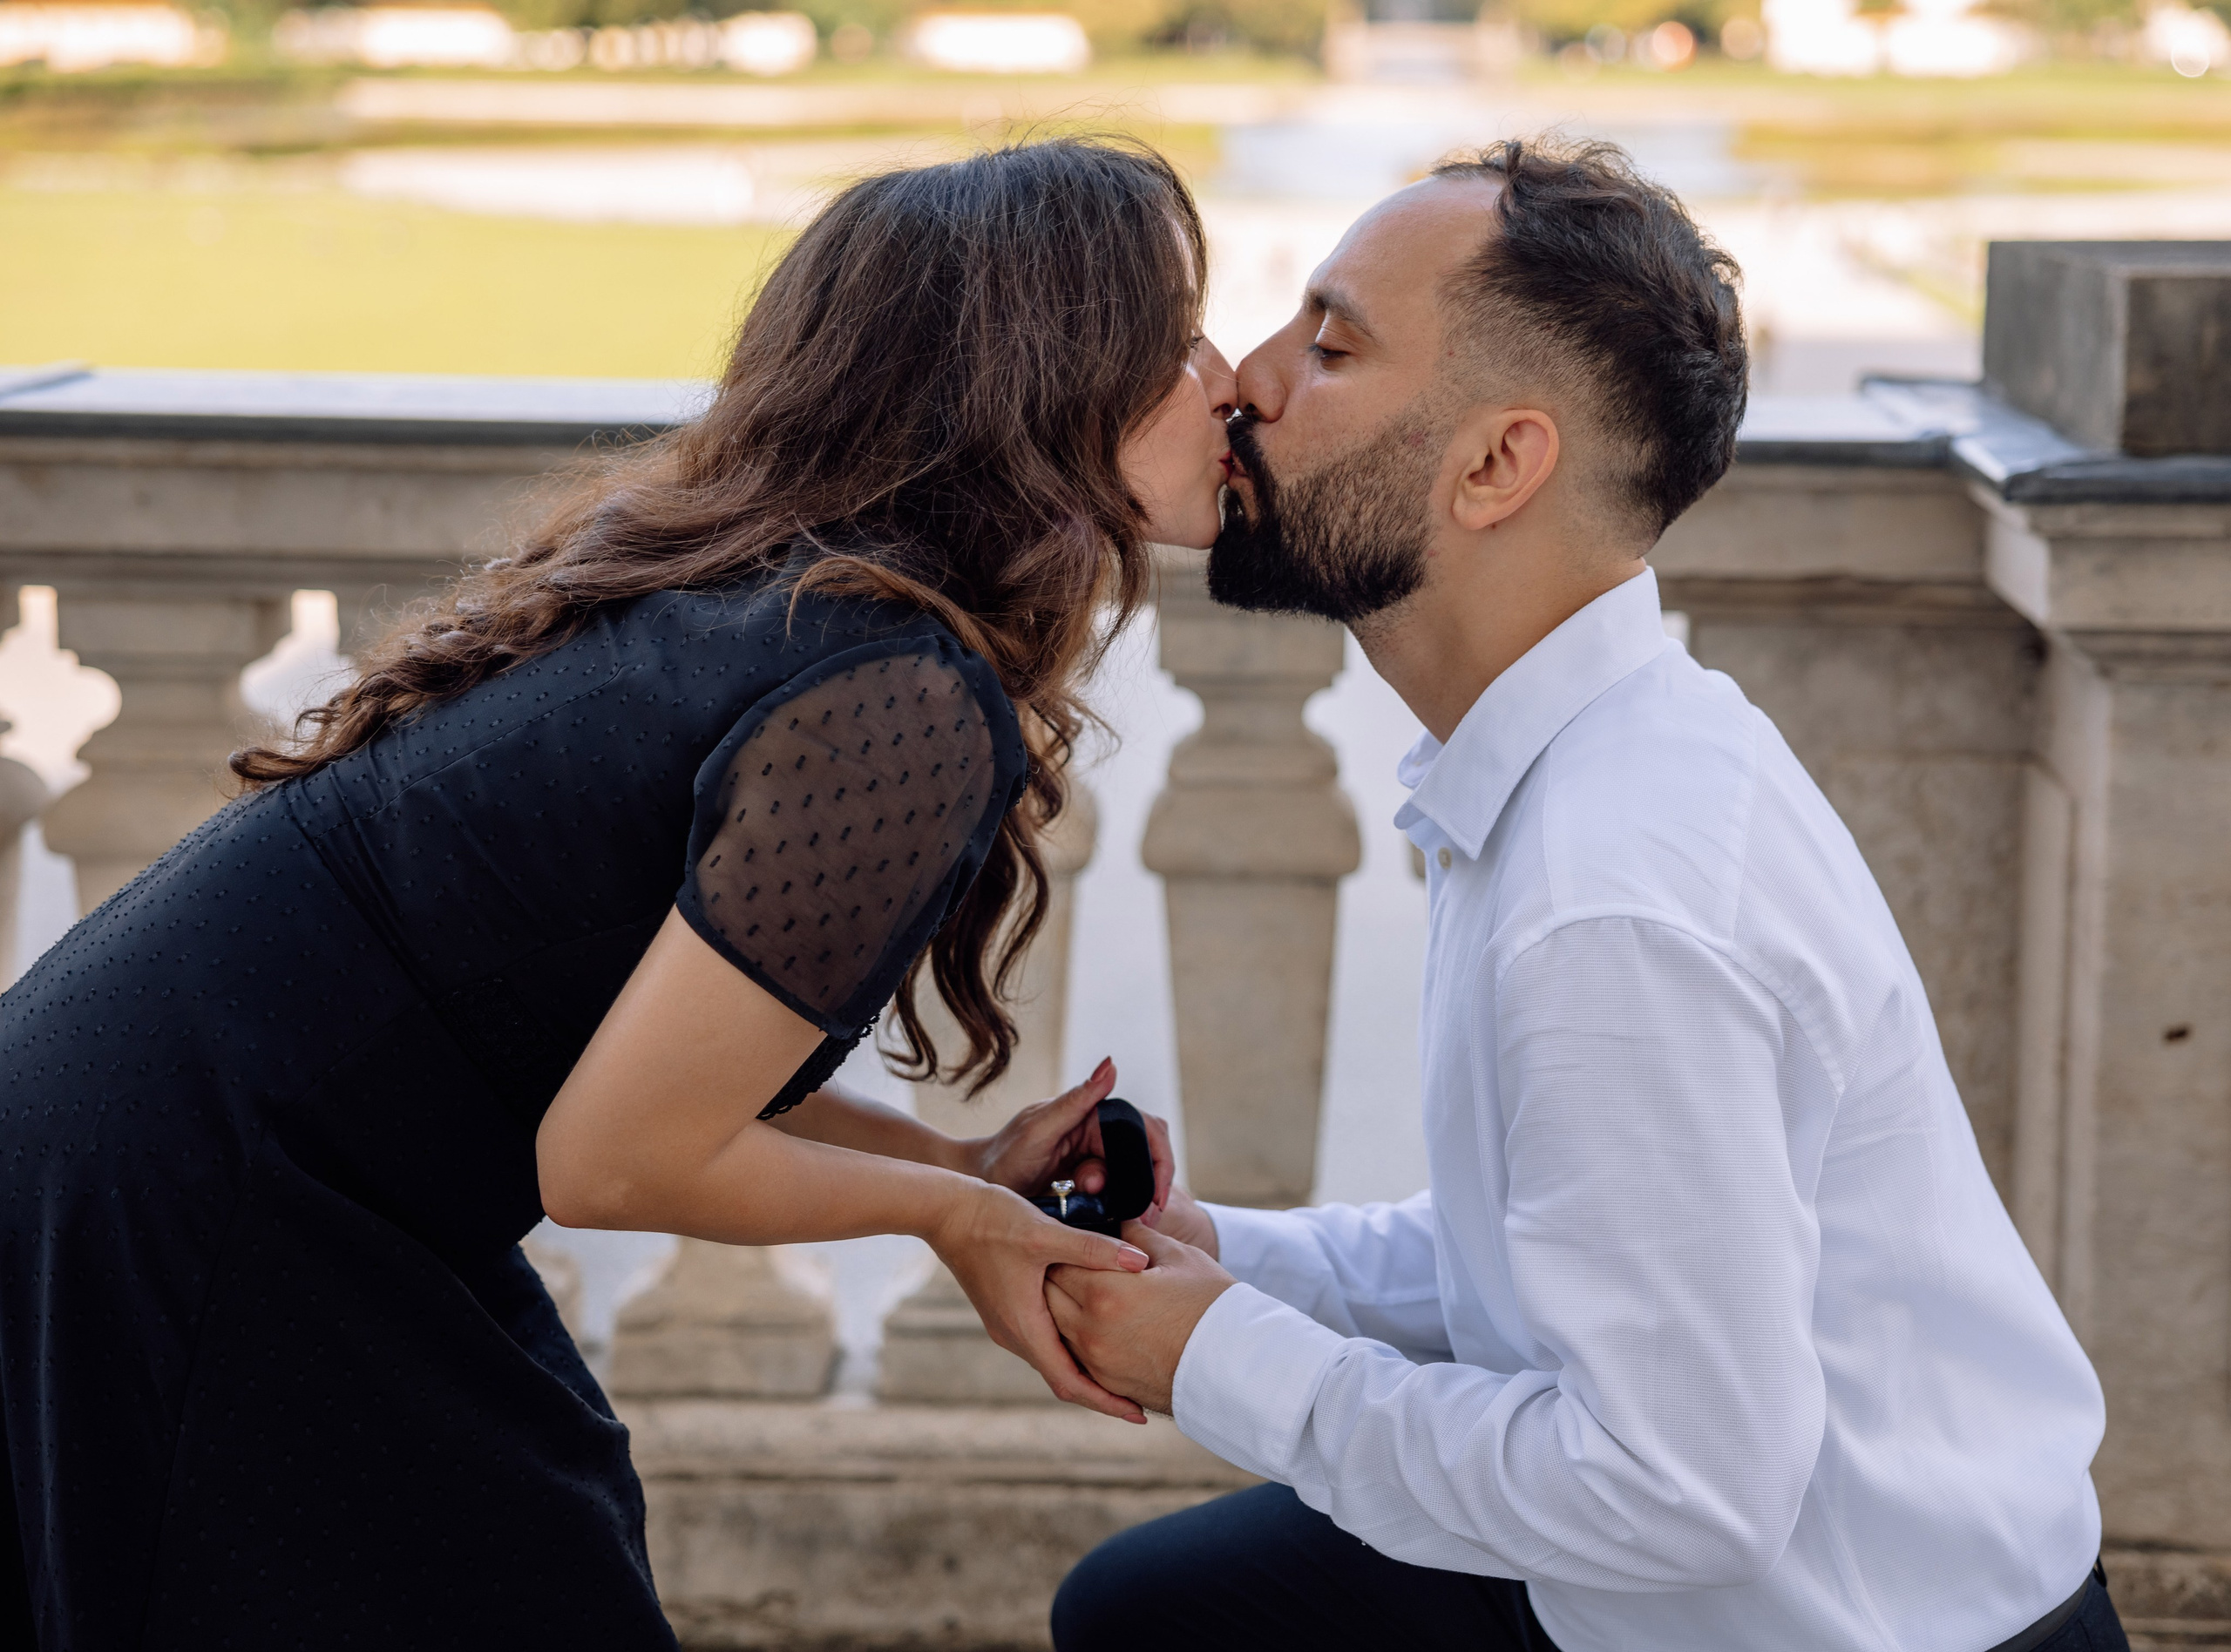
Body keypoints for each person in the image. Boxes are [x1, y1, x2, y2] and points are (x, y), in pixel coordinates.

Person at [0, 137, 1237, 1649]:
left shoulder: (787, 600)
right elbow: (613, 1161)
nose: (1226, 378)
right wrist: (947, 1219)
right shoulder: (898, 698)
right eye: (1172, 342)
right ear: (1045, 386)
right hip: (219, 1204)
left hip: (156, 1143)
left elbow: (645, 1059)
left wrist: (959, 1166)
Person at [1044, 138, 2126, 1652]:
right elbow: (1548, 1241)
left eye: (1331, 343)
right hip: (1733, 1576)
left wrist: (1225, 1358)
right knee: (1147, 1612)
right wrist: (1232, 1259)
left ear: (1497, 464)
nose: (1243, 380)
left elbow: (1678, 1496)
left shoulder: (1611, 895)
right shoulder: (1587, 763)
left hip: (1842, 1624)